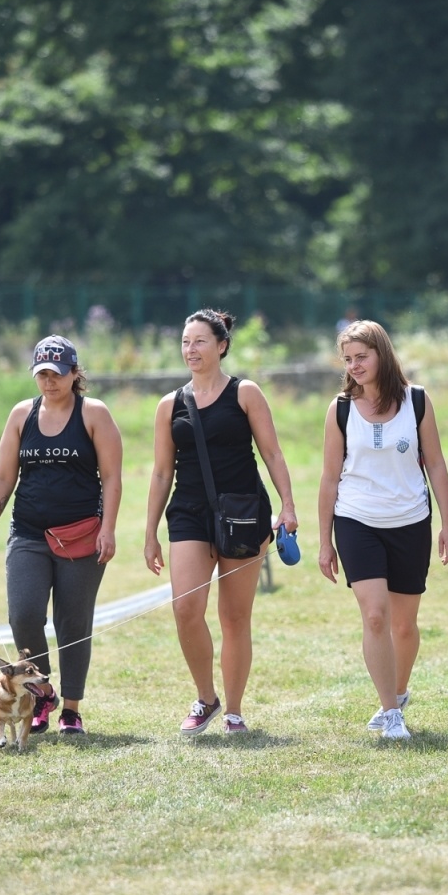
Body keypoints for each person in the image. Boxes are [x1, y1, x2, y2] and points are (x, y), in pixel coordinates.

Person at [144, 309, 298, 735]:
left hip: (243, 514)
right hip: (188, 513)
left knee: (234, 617)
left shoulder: (245, 392)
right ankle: (205, 698)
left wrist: (287, 506)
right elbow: (161, 473)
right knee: (185, 609)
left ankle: (233, 711)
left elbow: (273, 454)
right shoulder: (169, 404)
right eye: (185, 341)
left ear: (222, 345)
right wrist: (150, 533)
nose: (190, 349)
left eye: (200, 341)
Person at [0, 336, 123, 735]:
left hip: (81, 535)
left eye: (57, 374)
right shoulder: (22, 414)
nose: (49, 381)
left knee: (73, 623)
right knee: (23, 614)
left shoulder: (94, 414)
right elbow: (4, 475)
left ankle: (70, 709)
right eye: (42, 374)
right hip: (29, 533)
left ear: (75, 373)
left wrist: (108, 529)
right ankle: (43, 694)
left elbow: (111, 477)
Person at [317, 320, 448, 740]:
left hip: (411, 521)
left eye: (362, 356)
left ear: (382, 354)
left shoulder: (417, 402)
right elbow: (329, 478)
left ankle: (397, 694)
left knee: (404, 626)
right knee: (375, 616)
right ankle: (390, 714)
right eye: (348, 359)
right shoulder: (339, 409)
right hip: (356, 519)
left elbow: (435, 463)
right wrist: (324, 542)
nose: (354, 365)